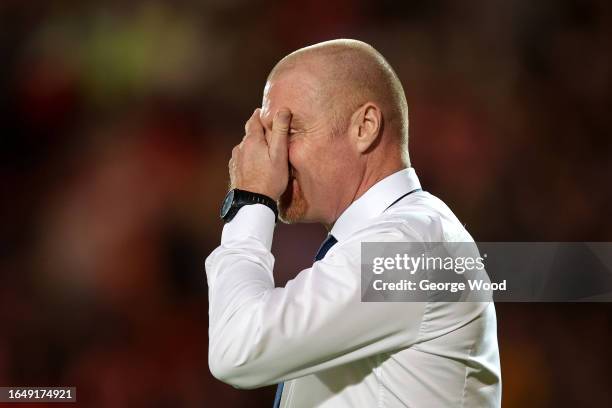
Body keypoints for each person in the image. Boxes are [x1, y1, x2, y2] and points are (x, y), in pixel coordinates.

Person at [205, 39, 501, 407]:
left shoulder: (410, 247)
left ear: (365, 126)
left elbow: (238, 348)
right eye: (267, 135)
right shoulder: (390, 239)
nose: (272, 154)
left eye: (289, 130)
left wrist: (250, 201)